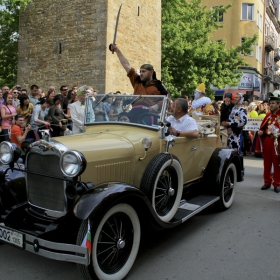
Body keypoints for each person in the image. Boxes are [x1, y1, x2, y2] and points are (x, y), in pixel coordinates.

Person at [258, 96, 280, 193]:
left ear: (278, 104)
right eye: (270, 103)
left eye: (273, 103)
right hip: (267, 140)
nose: (271, 105)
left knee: (277, 163)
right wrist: (261, 132)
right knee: (267, 162)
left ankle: (277, 183)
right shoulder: (268, 116)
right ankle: (267, 182)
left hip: (277, 141)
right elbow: (262, 127)